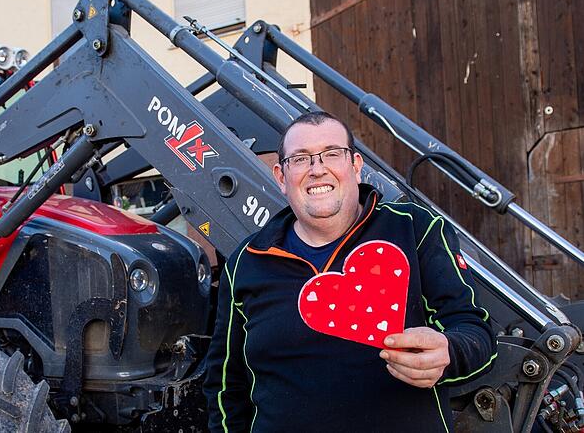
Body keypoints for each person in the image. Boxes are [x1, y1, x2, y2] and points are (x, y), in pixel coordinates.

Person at [202, 111, 496, 432]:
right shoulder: (247, 262)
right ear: (281, 177)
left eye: (331, 154)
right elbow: (225, 385)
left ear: (355, 166)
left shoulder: (414, 229)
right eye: (300, 159)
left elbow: (475, 332)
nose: (317, 169)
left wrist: (448, 353)